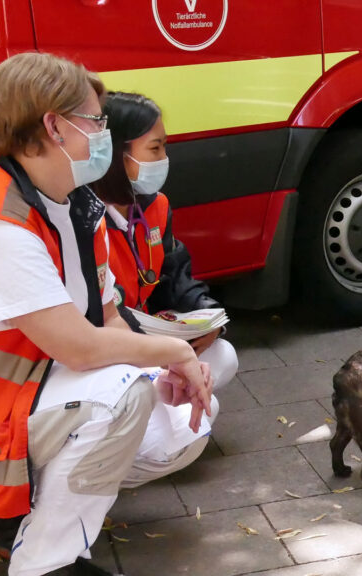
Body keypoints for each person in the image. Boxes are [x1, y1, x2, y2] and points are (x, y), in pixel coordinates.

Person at [0, 52, 218, 576]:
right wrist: (170, 354)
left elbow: (108, 321)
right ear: (54, 126)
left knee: (183, 426)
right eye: (97, 121)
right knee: (123, 399)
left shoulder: (77, 205)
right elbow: (79, 347)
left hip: (8, 395)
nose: (104, 134)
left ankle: (26, 505)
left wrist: (156, 367)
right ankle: (46, 563)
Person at [91, 91, 238, 391]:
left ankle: (175, 404)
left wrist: (209, 320)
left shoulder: (155, 206)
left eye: (164, 147)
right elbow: (97, 319)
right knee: (195, 407)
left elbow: (176, 277)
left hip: (152, 338)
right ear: (117, 154)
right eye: (155, 148)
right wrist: (161, 350)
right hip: (114, 350)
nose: (164, 159)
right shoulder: (86, 220)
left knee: (224, 355)